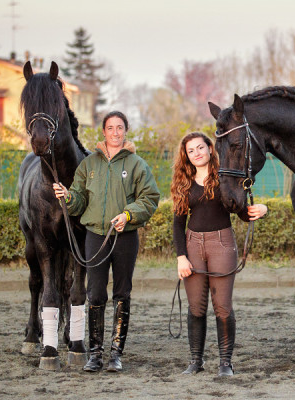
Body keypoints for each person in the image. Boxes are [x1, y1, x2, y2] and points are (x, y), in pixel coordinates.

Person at [53, 111, 160, 373]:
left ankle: (116, 355)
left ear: (125, 131)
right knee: (96, 293)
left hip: (125, 238)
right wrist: (67, 197)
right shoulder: (89, 165)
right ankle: (96, 354)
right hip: (95, 237)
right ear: (103, 132)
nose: (115, 132)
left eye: (119, 127)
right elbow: (79, 201)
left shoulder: (137, 164)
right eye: (110, 127)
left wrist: (128, 214)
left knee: (122, 293)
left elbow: (150, 197)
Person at [171, 132, 267, 376]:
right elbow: (177, 224)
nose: (197, 153)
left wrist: (260, 209)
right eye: (191, 150)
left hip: (222, 244)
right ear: (186, 155)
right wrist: (181, 256)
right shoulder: (183, 180)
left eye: (200, 148)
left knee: (222, 306)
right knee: (196, 307)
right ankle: (196, 361)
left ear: (210, 148)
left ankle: (225, 362)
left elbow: (240, 210)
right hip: (193, 245)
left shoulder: (224, 175)